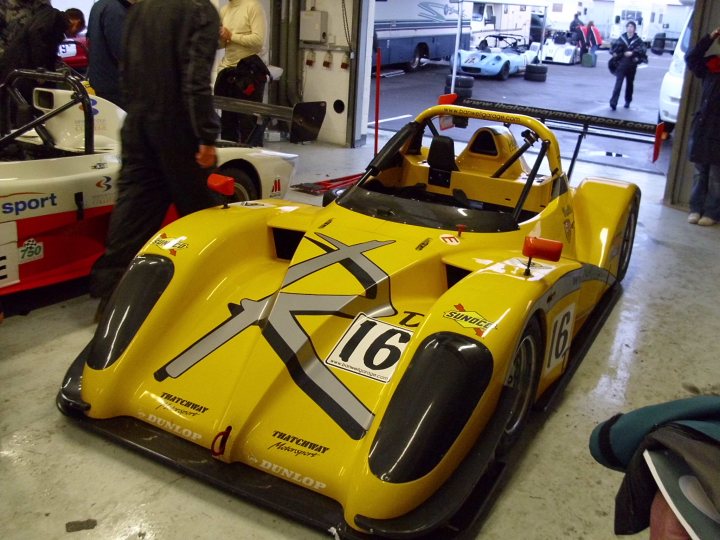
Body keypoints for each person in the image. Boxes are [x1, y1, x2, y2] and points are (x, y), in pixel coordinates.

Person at [89, 0, 221, 317]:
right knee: (204, 216)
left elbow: (126, 69)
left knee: (134, 215)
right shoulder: (201, 11)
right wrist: (206, 134)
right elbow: (195, 80)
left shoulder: (141, 9)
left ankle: (112, 300)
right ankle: (211, 296)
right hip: (178, 130)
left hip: (137, 124)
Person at [214, 0, 268, 143]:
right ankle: (232, 162)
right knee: (228, 124)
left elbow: (258, 41)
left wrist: (232, 36)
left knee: (247, 124)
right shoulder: (225, 10)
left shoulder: (253, 7)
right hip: (228, 73)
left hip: (249, 73)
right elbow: (222, 44)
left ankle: (250, 160)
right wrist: (217, 38)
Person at [684, 26, 720, 227]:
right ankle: (695, 208)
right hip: (704, 125)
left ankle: (712, 212)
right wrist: (711, 36)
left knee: (716, 175)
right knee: (700, 171)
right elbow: (692, 58)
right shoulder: (712, 65)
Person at [86, 0, 133, 107]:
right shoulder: (115, 9)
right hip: (115, 83)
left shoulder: (98, 5)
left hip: (101, 79)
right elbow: (122, 49)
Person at [609, 21, 647, 111]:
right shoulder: (622, 38)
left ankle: (628, 101)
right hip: (621, 65)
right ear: (626, 28)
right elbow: (614, 48)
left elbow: (642, 50)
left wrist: (633, 53)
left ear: (634, 29)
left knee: (630, 84)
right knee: (618, 84)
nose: (630, 28)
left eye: (632, 27)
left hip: (632, 65)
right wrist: (615, 53)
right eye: (628, 26)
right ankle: (613, 102)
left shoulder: (638, 40)